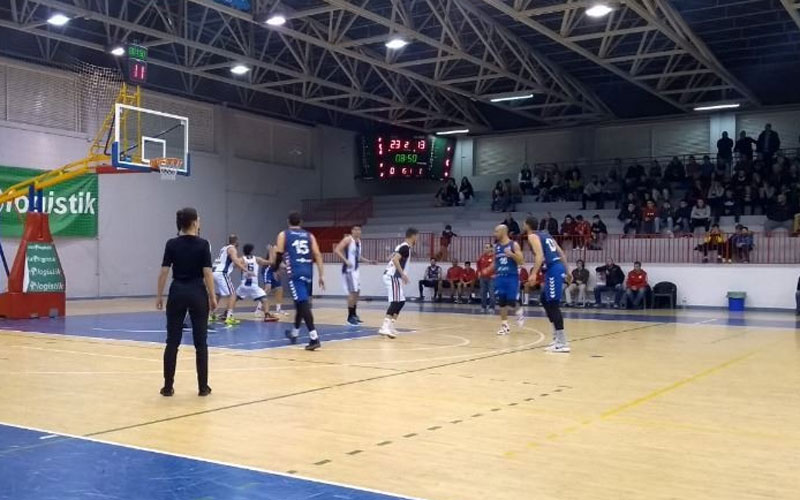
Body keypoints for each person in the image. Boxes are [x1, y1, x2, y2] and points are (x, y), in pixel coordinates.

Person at [156, 207, 216, 397]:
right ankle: (203, 387)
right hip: (197, 292)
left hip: (177, 291)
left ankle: (167, 387)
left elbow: (164, 271)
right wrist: (213, 296)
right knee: (201, 342)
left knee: (172, 342)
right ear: (194, 223)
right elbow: (207, 272)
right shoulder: (203, 244)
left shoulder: (171, 244)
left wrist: (159, 295)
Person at [276, 211, 326, 351]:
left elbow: (279, 253)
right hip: (308, 272)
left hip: (295, 273)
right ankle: (295, 333)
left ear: (288, 221)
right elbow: (317, 254)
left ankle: (314, 337)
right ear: (301, 222)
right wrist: (322, 275)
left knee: (303, 304)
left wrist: (276, 268)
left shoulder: (284, 234)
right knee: (299, 302)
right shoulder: (309, 235)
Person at [525, 217, 571, 353]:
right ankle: (557, 337)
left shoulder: (532, 236)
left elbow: (539, 256)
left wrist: (533, 273)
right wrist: (568, 270)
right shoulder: (546, 235)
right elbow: (561, 252)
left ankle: (563, 342)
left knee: (553, 304)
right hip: (556, 268)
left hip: (553, 270)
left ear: (526, 225)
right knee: (545, 299)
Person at [379, 227, 418, 338]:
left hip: (393, 276)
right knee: (396, 301)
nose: (417, 239)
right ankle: (384, 327)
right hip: (393, 276)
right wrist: (403, 274)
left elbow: (393, 256)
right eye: (417, 237)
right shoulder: (405, 247)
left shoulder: (401, 246)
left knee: (401, 301)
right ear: (413, 236)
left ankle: (390, 325)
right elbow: (396, 259)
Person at [334, 225, 374, 326]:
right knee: (352, 292)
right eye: (355, 229)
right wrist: (346, 260)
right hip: (348, 270)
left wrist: (369, 261)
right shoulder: (348, 239)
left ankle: (354, 315)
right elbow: (337, 250)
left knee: (357, 292)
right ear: (352, 231)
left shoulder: (359, 242)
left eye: (359, 230)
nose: (357, 231)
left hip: (355, 270)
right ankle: (349, 317)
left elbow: (358, 257)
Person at [493, 224, 525, 336]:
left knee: (511, 301)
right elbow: (495, 262)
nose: (494, 234)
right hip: (500, 276)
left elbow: (521, 261)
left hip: (511, 276)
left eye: (496, 231)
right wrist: (492, 271)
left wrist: (511, 254)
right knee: (501, 302)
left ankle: (519, 311)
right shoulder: (496, 247)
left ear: (503, 231)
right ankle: (504, 326)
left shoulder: (513, 244)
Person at [211, 235, 247, 326]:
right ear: (236, 241)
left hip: (214, 272)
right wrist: (244, 269)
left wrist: (239, 262)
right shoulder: (232, 248)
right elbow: (235, 260)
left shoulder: (223, 248)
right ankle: (229, 317)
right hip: (221, 273)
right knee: (233, 294)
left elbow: (229, 262)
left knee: (217, 295)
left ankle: (211, 315)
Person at [258, 243, 283, 321]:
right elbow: (273, 262)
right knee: (267, 288)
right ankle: (258, 309)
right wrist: (277, 270)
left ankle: (278, 309)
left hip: (273, 270)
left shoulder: (283, 251)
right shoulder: (275, 248)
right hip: (267, 270)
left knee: (279, 288)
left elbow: (279, 263)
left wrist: (279, 270)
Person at [476, 244, 495, 313]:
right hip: (483, 278)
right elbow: (478, 264)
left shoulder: (495, 257)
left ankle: (492, 307)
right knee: (483, 293)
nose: (485, 249)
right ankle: (483, 307)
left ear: (491, 249)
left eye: (487, 247)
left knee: (492, 293)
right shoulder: (482, 257)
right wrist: (478, 272)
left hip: (491, 278)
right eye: (485, 247)